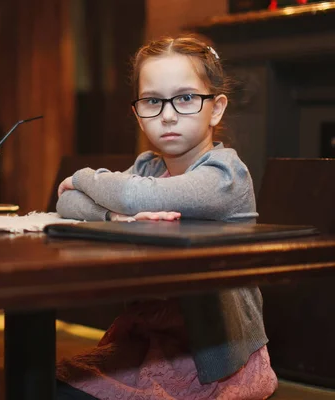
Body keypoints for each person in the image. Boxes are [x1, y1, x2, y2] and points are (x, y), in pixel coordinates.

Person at [54, 34, 278, 399]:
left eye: (186, 98)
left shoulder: (225, 174)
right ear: (138, 114)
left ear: (216, 108)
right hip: (152, 339)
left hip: (215, 355)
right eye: (153, 101)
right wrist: (114, 217)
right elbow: (66, 206)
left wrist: (82, 177)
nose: (168, 114)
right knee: (49, 384)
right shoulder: (148, 166)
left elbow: (131, 193)